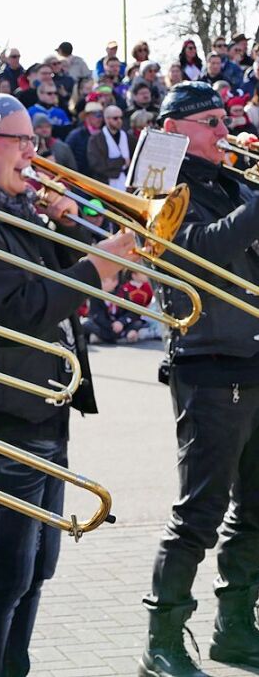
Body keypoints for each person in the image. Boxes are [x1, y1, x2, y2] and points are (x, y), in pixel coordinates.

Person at [0, 92, 138, 677]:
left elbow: (61, 278)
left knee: (35, 569)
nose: (33, 154)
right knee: (0, 575)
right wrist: (97, 266)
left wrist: (63, 225)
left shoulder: (16, 213)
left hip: (40, 412)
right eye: (21, 142)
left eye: (33, 140)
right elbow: (21, 307)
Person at [139, 81, 259, 677]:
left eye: (225, 118)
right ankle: (161, 639)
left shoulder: (238, 183)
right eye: (211, 121)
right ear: (174, 128)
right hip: (209, 366)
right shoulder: (158, 188)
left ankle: (236, 628)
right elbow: (199, 252)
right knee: (199, 514)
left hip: (255, 360)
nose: (224, 130)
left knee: (258, 509)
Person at [87, 105, 131, 188]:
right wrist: (122, 161)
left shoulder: (128, 137)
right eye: (115, 118)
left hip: (128, 185)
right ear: (106, 119)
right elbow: (97, 164)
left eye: (121, 118)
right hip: (105, 185)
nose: (119, 121)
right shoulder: (95, 139)